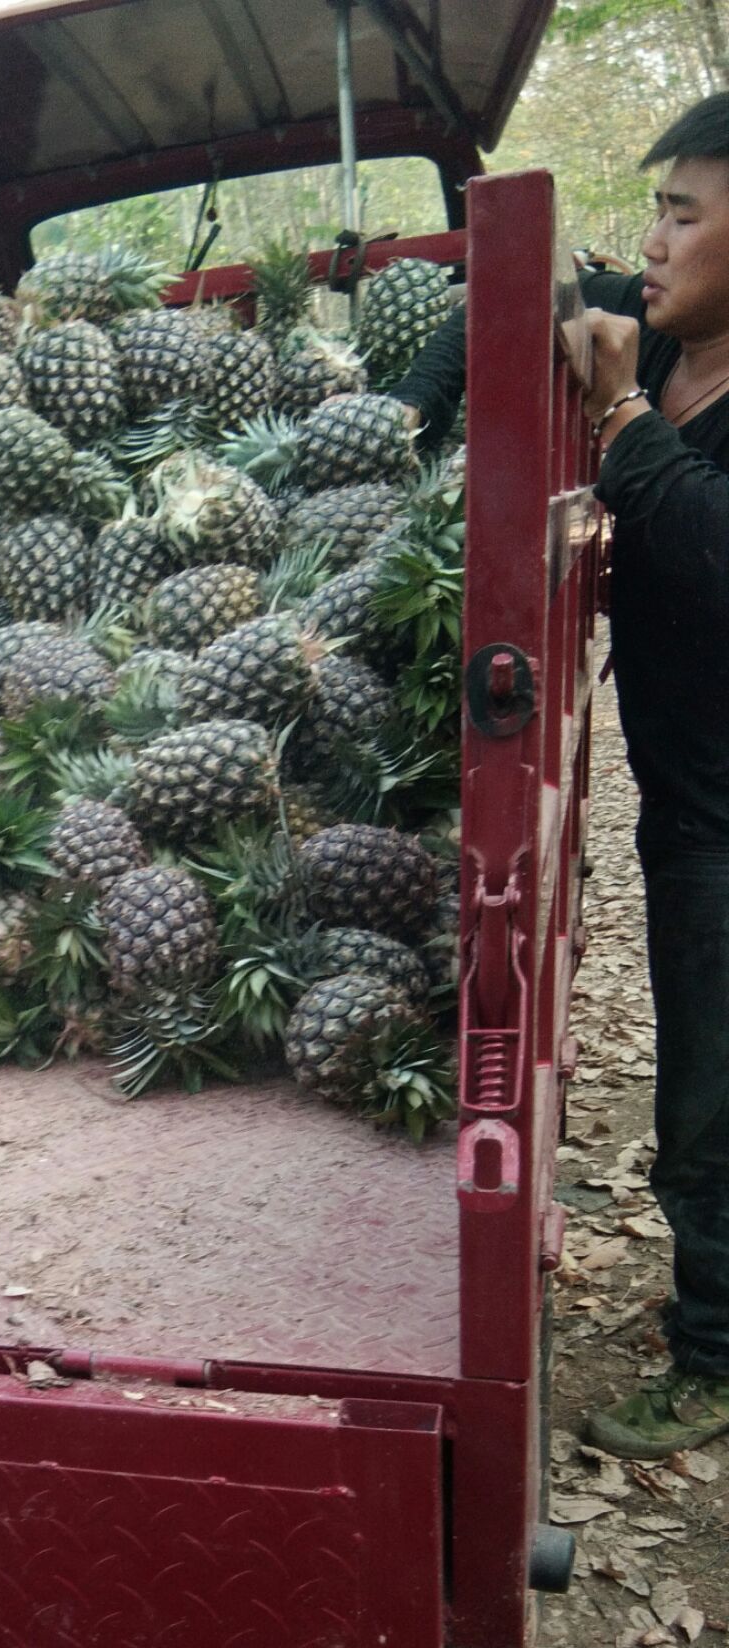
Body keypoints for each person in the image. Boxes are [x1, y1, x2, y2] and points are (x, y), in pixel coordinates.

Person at [401, 94, 729, 1459]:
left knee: (711, 1090)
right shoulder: (663, 331)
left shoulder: (664, 379)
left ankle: (713, 1360)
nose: (649, 241)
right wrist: (401, 431)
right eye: (656, 209)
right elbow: (496, 301)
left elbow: (712, 553)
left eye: (684, 213)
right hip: (688, 793)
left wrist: (624, 411)